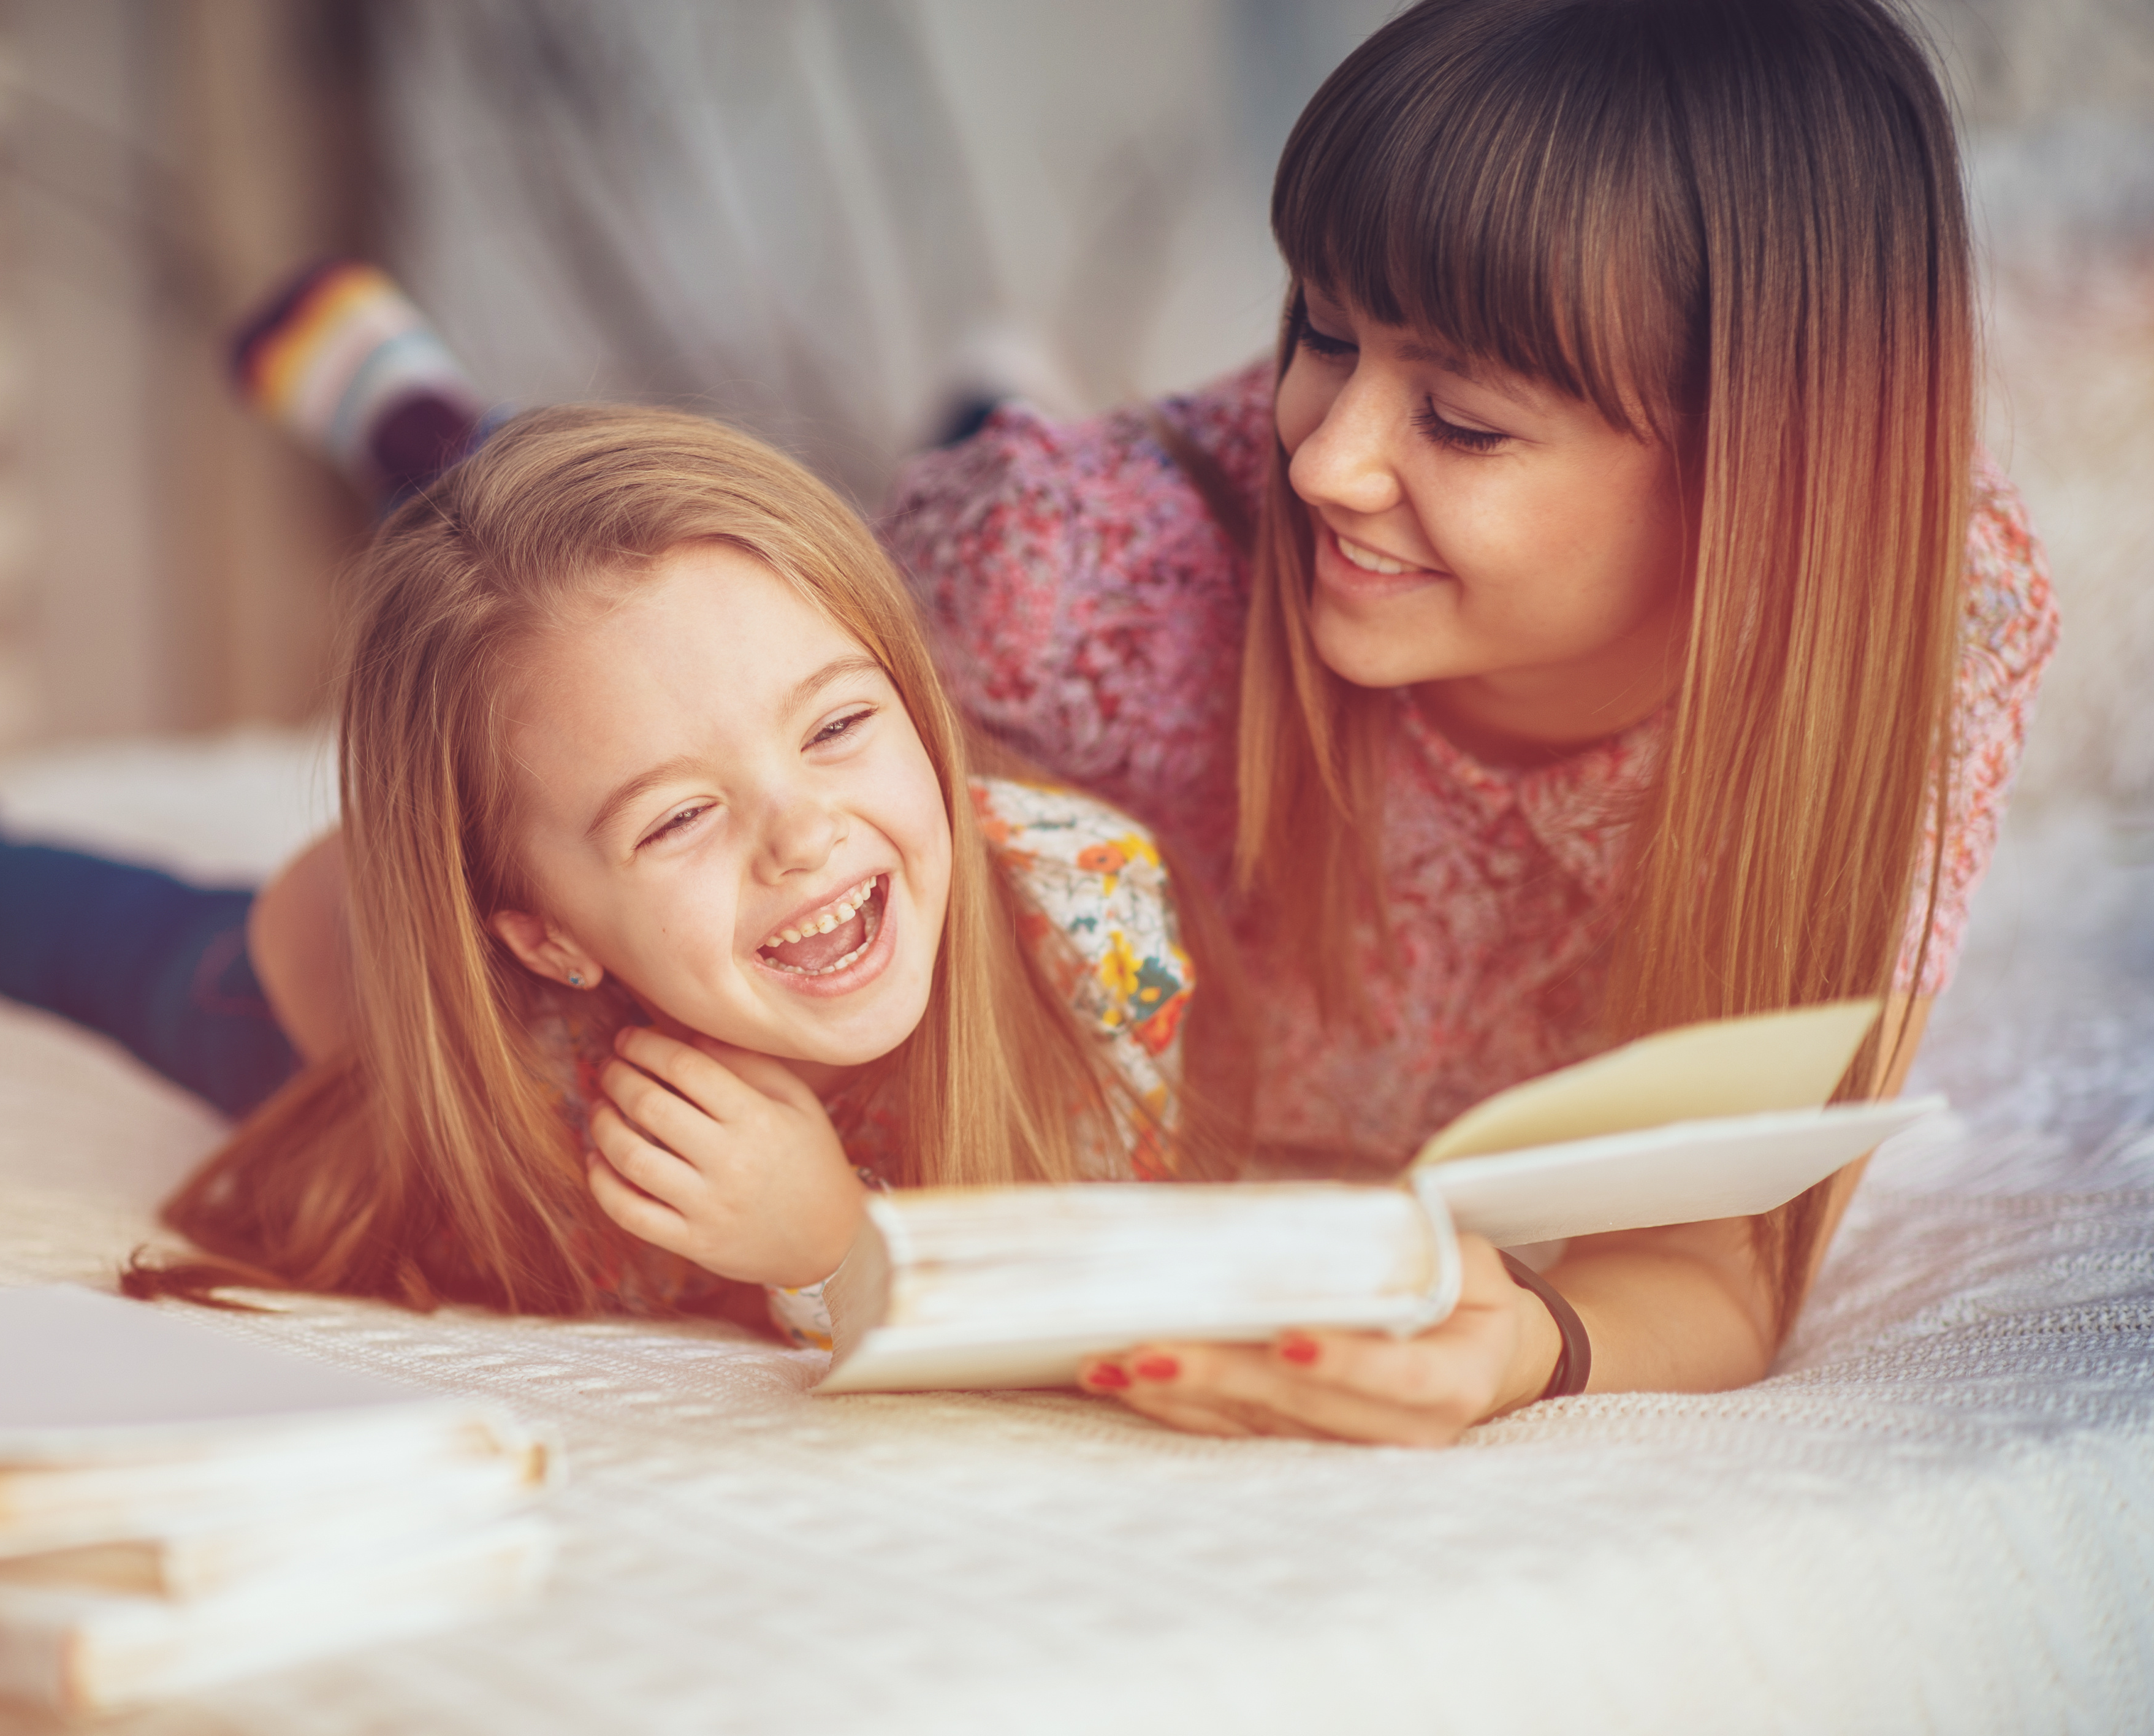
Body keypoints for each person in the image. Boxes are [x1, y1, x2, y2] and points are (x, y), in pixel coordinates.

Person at [877, 0, 2058, 1442]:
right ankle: (988, 398)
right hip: (1045, 541)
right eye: (1321, 329)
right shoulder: (1059, 572)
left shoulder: (1925, 616)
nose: (1329, 465)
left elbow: (1717, 1252)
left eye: (1464, 422)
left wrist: (1535, 1346)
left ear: (1757, 474)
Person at [0, 405, 1200, 1342]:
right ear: (546, 939)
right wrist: (829, 1256)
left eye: (841, 724)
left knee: (584, 586)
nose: (804, 836)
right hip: (325, 958)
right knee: (87, 937)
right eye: (678, 822)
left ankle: (435, 436)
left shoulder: (1084, 915)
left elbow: (1104, 1296)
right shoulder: (525, 1059)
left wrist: (833, 1244)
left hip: (551, 770)